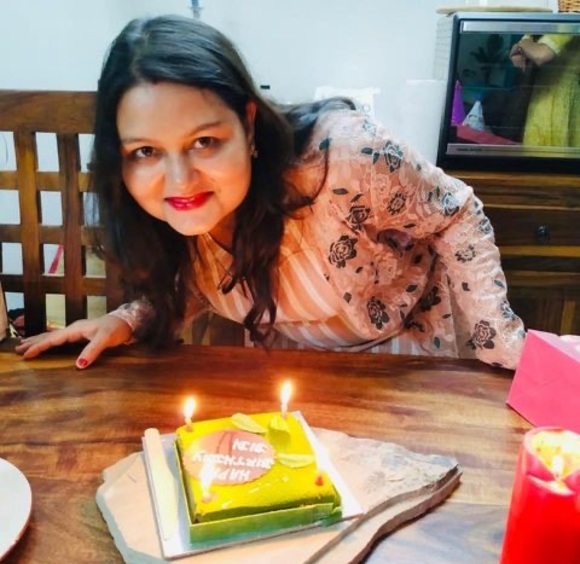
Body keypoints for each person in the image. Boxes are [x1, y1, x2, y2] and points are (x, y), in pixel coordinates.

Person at [16, 14, 526, 370]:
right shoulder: (160, 214)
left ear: (248, 123)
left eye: (204, 142)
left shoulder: (345, 159)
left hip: (408, 361)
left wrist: (502, 348)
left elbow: (457, 212)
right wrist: (129, 319)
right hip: (289, 372)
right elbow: (201, 281)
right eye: (146, 151)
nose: (179, 180)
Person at [509, 34, 580, 147]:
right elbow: (516, 58)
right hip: (538, 95)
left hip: (560, 97)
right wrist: (524, 46)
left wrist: (522, 45)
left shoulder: (568, 22)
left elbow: (541, 55)